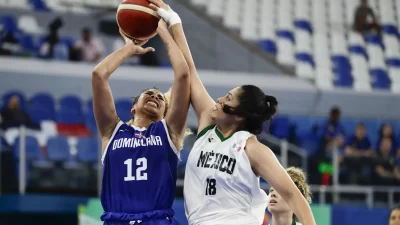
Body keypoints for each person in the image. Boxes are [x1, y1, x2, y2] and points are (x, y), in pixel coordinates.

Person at [149, 1, 316, 224]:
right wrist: (174, 23)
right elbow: (190, 71)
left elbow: (293, 195)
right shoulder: (209, 123)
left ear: (239, 115)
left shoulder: (252, 148)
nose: (218, 100)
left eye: (227, 98)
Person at [92, 18, 190, 225]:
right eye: (149, 93)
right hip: (116, 220)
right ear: (133, 107)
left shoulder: (168, 131)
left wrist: (164, 32)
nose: (155, 96)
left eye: (160, 98)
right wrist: (129, 49)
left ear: (165, 112)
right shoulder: (112, 131)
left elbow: (182, 75)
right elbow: (99, 75)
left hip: (157, 219)